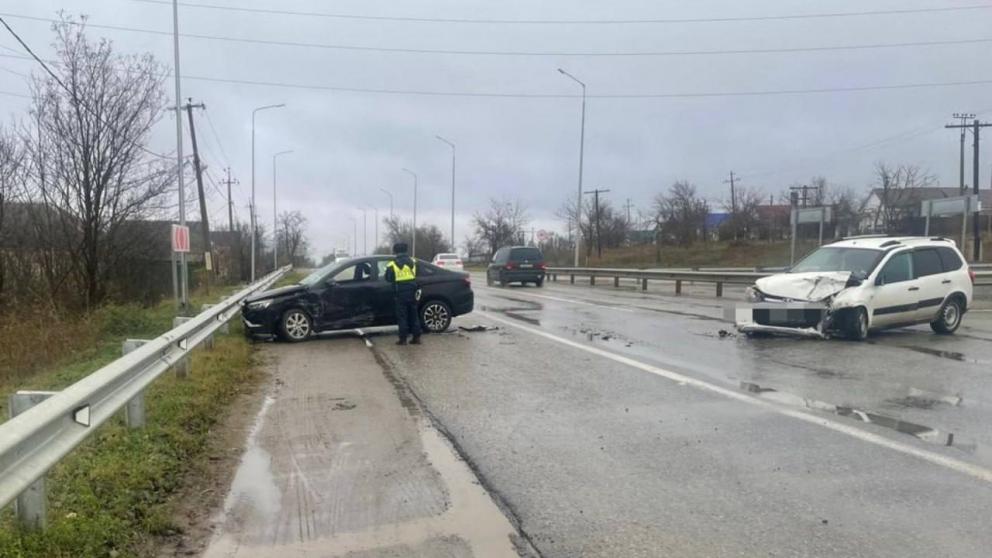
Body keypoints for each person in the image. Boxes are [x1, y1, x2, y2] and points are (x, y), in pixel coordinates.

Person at [384, 242, 422, 345]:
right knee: (414, 315)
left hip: (400, 293)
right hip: (412, 291)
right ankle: (417, 337)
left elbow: (388, 278)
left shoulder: (392, 264)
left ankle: (403, 339)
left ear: (395, 251)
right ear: (406, 250)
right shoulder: (413, 262)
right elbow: (417, 275)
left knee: (402, 316)